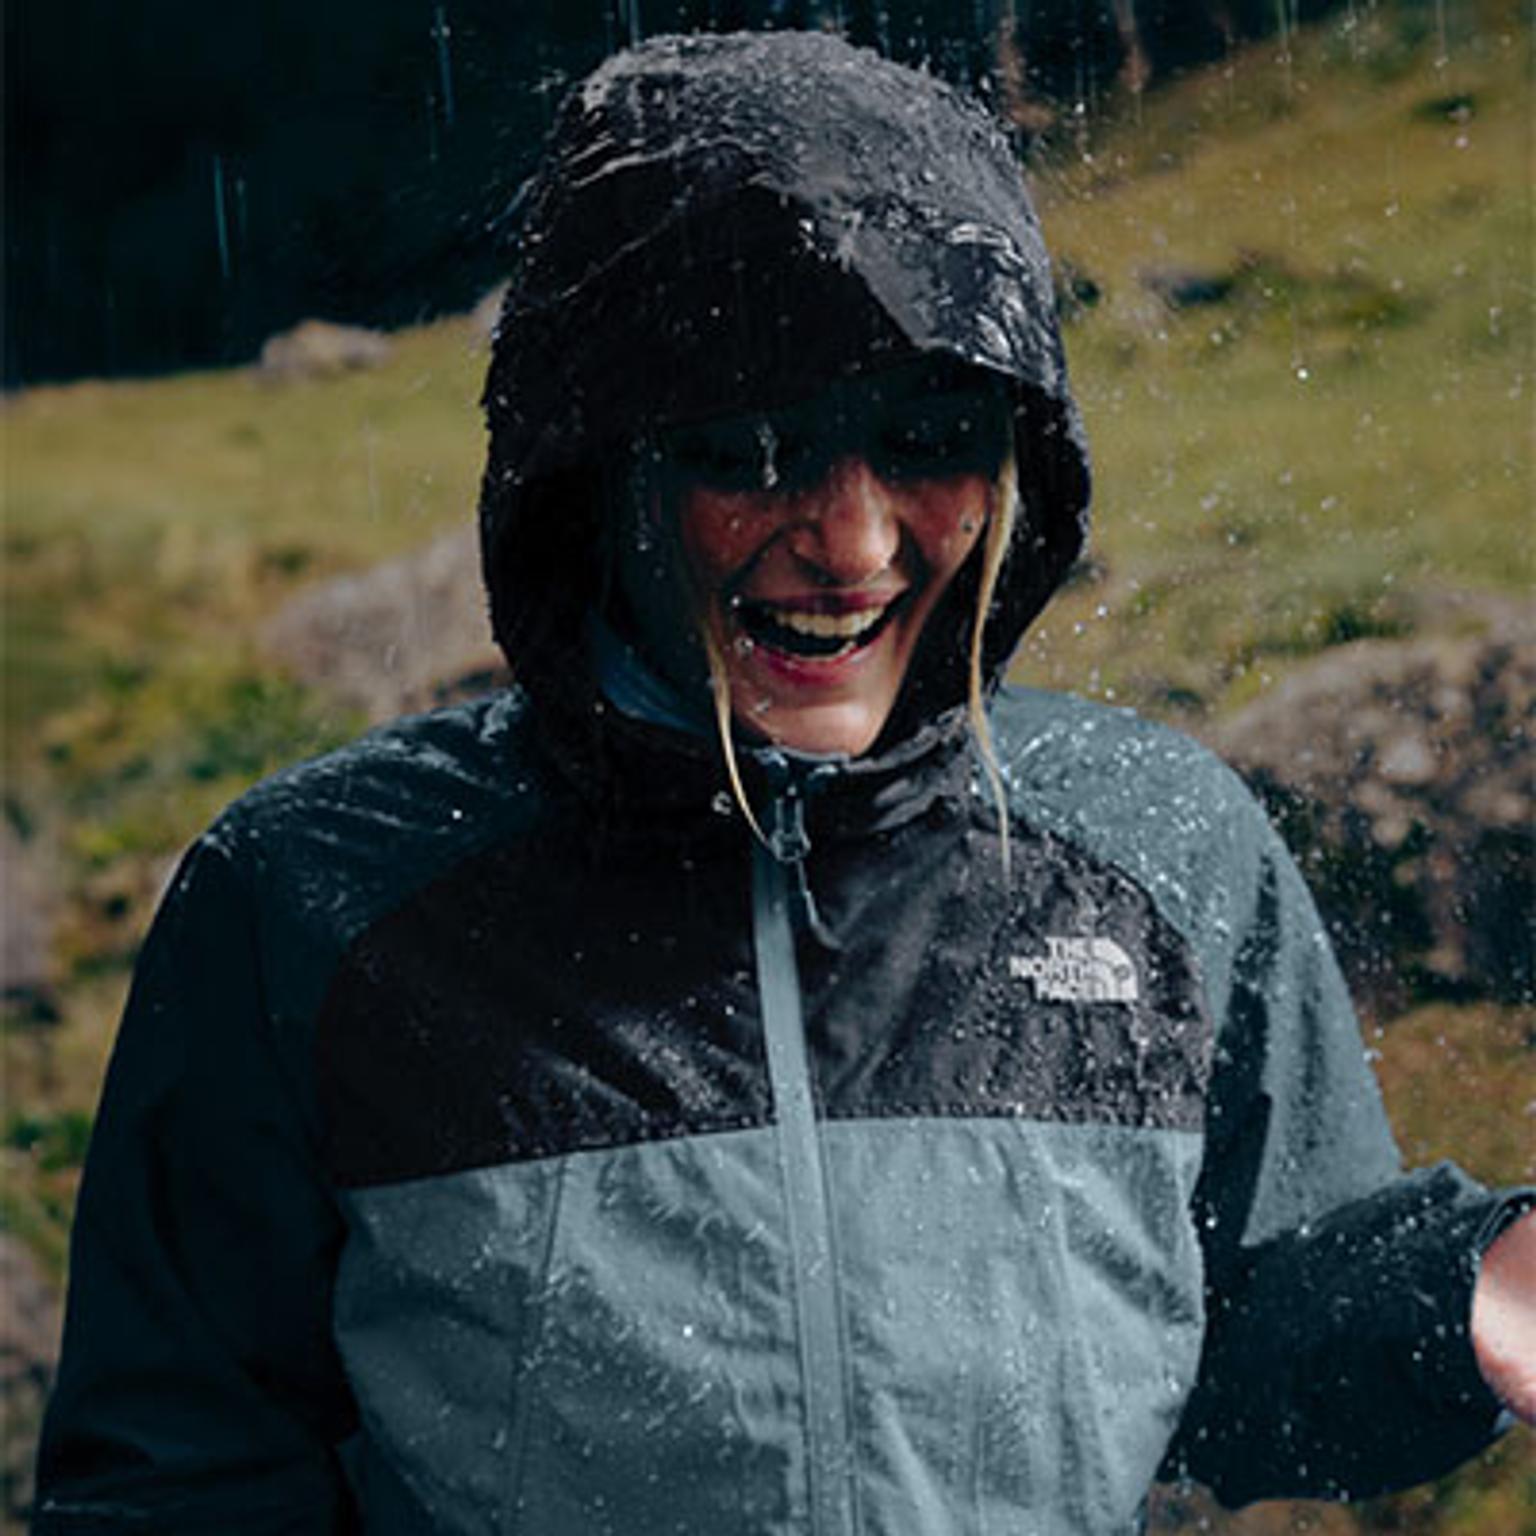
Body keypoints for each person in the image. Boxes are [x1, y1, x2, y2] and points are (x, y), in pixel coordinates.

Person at [33, 29, 1534, 1535]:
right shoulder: (316, 897)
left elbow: (1244, 1346)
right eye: (754, 452)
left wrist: (1470, 1286)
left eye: (929, 442)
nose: (856, 543)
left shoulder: (1162, 844)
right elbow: (177, 1479)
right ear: (598, 463)